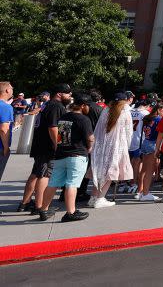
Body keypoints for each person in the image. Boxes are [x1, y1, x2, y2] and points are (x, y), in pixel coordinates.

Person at [37, 95, 94, 222]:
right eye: (88, 106)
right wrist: (90, 147)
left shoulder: (63, 117)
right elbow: (90, 138)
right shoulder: (84, 120)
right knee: (72, 184)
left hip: (61, 154)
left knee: (53, 183)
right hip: (77, 155)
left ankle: (43, 209)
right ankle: (70, 212)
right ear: (83, 106)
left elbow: (60, 137)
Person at [19, 84, 72, 215]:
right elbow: (53, 127)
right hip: (48, 147)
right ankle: (40, 206)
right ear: (59, 94)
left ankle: (24, 203)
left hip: (40, 145)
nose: (70, 97)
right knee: (44, 175)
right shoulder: (56, 106)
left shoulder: (47, 105)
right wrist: (58, 145)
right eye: (68, 94)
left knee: (36, 174)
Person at [89, 93, 134, 209]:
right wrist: (127, 147)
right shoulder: (124, 112)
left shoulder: (106, 110)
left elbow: (98, 128)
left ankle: (94, 197)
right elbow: (129, 132)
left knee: (99, 170)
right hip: (117, 145)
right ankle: (100, 198)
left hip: (101, 144)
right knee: (110, 172)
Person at [135, 103, 163, 201]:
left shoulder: (148, 118)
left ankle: (140, 191)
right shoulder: (159, 119)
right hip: (153, 144)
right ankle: (146, 193)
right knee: (150, 171)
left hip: (146, 142)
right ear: (158, 110)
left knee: (144, 169)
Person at [0, 82, 14, 190]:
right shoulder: (5, 107)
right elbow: (4, 129)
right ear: (7, 91)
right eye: (11, 88)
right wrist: (6, 147)